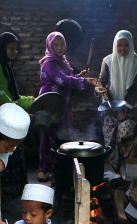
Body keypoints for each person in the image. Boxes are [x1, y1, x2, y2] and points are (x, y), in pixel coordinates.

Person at [37, 31, 97, 182]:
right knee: (46, 138)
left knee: (61, 137)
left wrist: (79, 77)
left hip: (62, 105)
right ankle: (43, 169)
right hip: (50, 105)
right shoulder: (49, 63)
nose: (59, 47)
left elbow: (67, 80)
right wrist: (85, 82)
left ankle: (59, 167)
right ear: (50, 46)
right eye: (55, 45)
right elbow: (63, 81)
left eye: (61, 44)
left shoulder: (62, 61)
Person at [0, 32, 35, 196]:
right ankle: (4, 195)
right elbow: (3, 98)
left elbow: (14, 97)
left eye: (16, 48)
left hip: (9, 117)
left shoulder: (6, 65)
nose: (14, 51)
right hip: (1, 120)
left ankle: (16, 193)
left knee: (15, 154)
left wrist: (32, 101)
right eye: (11, 48)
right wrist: (22, 113)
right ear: (2, 47)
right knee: (5, 154)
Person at [95, 30, 137, 173]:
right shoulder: (108, 61)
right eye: (119, 45)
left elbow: (136, 89)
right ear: (115, 46)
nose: (122, 49)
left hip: (128, 107)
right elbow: (101, 81)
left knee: (124, 135)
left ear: (131, 45)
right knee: (109, 139)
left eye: (126, 45)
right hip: (109, 106)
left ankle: (128, 168)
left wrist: (124, 109)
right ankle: (115, 170)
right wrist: (99, 89)